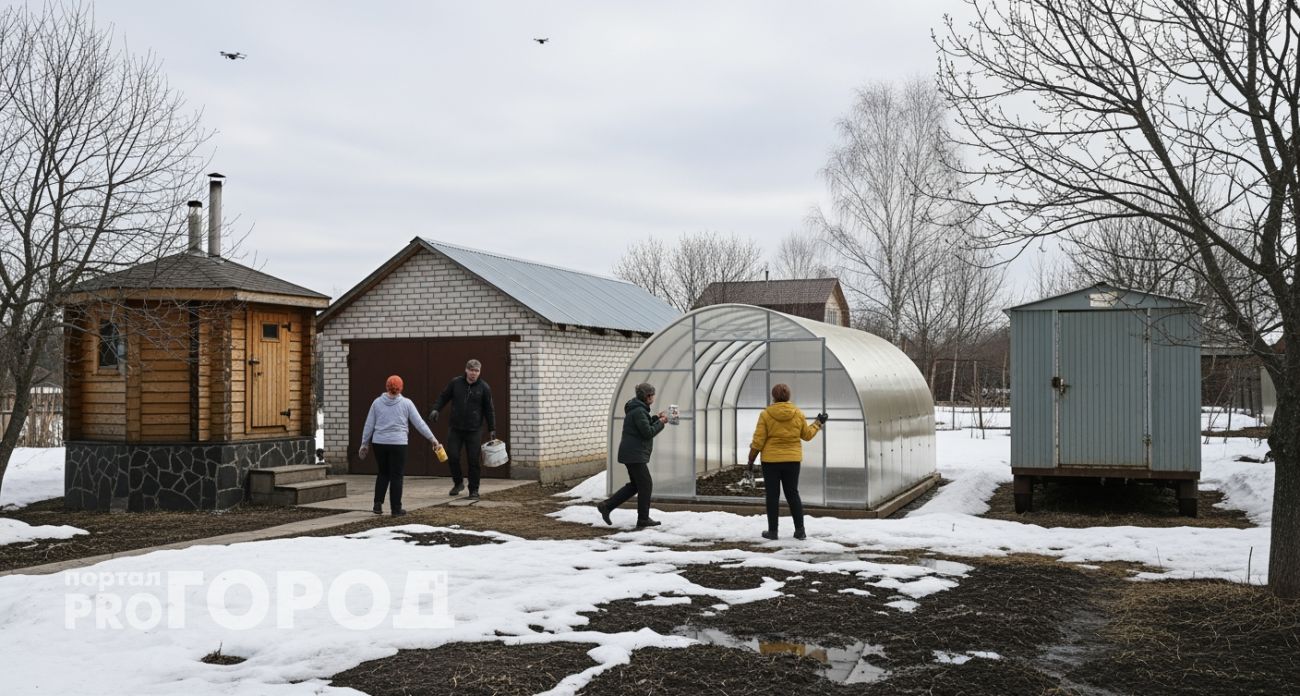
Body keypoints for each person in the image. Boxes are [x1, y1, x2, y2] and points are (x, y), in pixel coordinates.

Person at [747, 383, 827, 540]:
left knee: (772, 495)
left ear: (774, 397)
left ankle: (773, 532)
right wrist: (818, 423)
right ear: (788, 396)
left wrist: (751, 459)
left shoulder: (766, 415)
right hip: (792, 460)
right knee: (792, 494)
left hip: (771, 461)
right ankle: (800, 530)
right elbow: (807, 435)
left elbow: (758, 441)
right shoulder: (798, 414)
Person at [359, 375, 439, 517]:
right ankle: (396, 509)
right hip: (398, 444)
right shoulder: (406, 403)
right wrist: (432, 439)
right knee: (396, 475)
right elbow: (419, 423)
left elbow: (369, 424)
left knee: (383, 472)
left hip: (379, 443)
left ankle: (378, 504)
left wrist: (364, 443)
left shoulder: (377, 403)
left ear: (386, 386)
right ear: (401, 387)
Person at [596, 382, 667, 528]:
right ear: (647, 396)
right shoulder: (639, 411)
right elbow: (647, 433)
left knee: (636, 485)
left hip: (632, 453)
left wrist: (654, 418)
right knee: (645, 484)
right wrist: (661, 423)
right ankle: (643, 519)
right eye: (652, 395)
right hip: (634, 454)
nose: (653, 397)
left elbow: (642, 426)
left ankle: (607, 506)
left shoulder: (638, 409)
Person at [428, 359, 496, 500]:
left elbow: (490, 410)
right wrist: (436, 409)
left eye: (476, 371)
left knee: (473, 460)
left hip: (474, 430)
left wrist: (492, 429)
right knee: (452, 456)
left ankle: (474, 490)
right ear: (466, 370)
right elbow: (443, 397)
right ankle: (458, 483)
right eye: (471, 370)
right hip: (456, 428)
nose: (473, 373)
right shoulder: (456, 383)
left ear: (479, 372)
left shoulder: (484, 388)